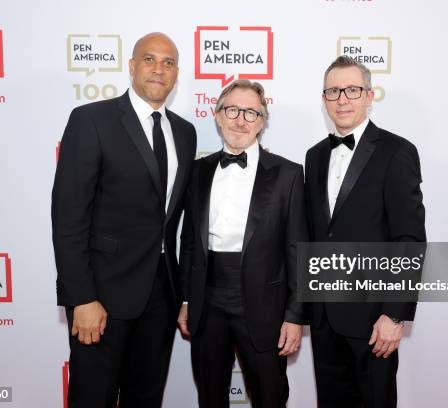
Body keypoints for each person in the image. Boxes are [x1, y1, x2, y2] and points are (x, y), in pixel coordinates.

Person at [51, 32, 197, 407]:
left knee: (145, 398)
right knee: (92, 397)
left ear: (176, 74)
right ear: (131, 66)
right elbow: (68, 217)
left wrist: (182, 295)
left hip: (161, 295)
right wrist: (82, 297)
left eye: (168, 63)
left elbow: (176, 223)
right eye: (149, 59)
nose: (158, 69)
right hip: (102, 297)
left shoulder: (185, 132)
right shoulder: (92, 120)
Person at [177, 79, 307, 407]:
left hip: (265, 304)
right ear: (218, 116)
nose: (240, 120)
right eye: (233, 110)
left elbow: (297, 248)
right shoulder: (197, 171)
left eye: (251, 113)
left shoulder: (288, 174)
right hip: (207, 302)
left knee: (270, 395)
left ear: (263, 122)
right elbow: (190, 240)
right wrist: (187, 300)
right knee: (210, 395)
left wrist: (295, 315)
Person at [305, 55, 426, 408]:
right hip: (324, 315)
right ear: (324, 99)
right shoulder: (314, 157)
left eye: (352, 90)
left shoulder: (397, 151)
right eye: (333, 91)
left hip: (374, 318)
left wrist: (394, 313)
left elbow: (409, 239)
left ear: (370, 95)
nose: (342, 98)